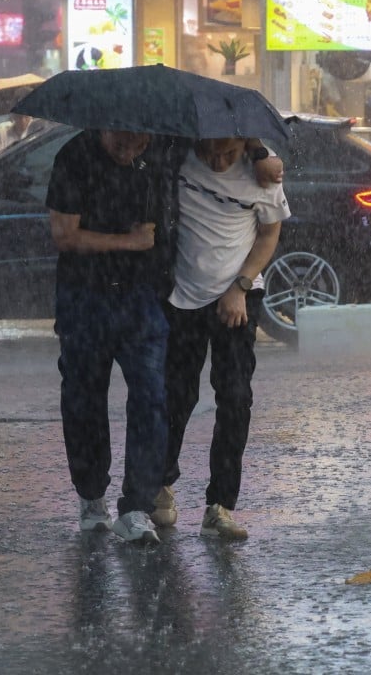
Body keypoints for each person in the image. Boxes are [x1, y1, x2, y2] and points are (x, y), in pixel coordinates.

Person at [153, 137, 290, 541]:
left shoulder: (262, 174)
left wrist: (240, 286)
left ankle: (221, 506)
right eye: (209, 152)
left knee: (234, 397)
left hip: (239, 296)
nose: (217, 161)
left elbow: (269, 235)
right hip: (182, 297)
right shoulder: (175, 157)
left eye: (228, 154)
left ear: (244, 143)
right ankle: (161, 484)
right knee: (177, 394)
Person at [45, 129, 176, 545]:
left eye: (140, 142)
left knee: (153, 396)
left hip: (140, 296)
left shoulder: (157, 155)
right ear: (104, 125)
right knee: (84, 397)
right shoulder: (74, 156)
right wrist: (129, 242)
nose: (130, 149)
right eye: (122, 140)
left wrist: (263, 155)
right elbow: (64, 234)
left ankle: (137, 506)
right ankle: (91, 494)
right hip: (84, 296)